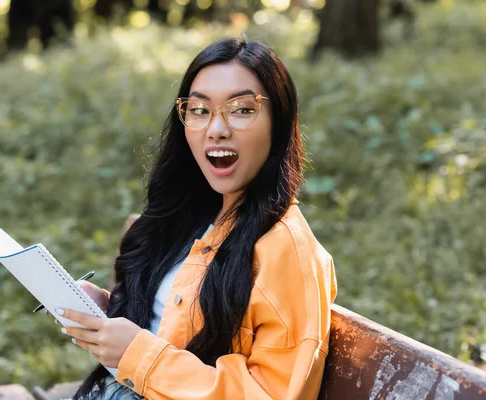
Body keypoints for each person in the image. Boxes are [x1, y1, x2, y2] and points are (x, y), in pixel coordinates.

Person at [51, 37, 338, 399]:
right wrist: (105, 311)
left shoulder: (289, 254)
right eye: (200, 110)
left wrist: (138, 355)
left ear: (278, 122)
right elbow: (170, 331)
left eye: (242, 109)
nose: (215, 128)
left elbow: (272, 394)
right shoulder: (192, 216)